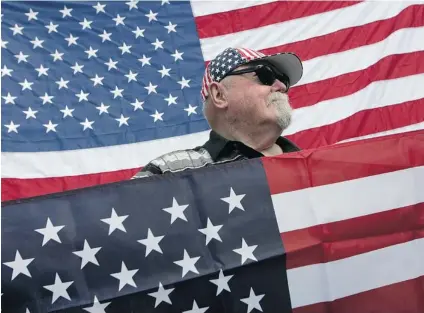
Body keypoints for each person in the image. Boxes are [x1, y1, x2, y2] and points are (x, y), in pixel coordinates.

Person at [131, 47, 303, 179]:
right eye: (265, 75)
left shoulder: (316, 168)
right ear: (219, 95)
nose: (280, 86)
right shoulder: (167, 172)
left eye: (284, 81)